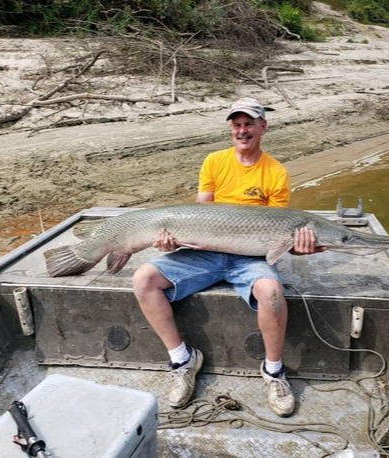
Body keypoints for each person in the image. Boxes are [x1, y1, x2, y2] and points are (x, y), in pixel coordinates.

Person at [132, 97, 325, 417]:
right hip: (207, 251)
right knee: (143, 279)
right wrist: (173, 241)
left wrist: (298, 246)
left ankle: (274, 371)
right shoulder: (214, 162)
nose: (242, 130)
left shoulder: (276, 172)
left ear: (263, 126)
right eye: (236, 125)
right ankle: (182, 359)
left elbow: (279, 231)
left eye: (249, 124)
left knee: (273, 292)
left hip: (250, 256)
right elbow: (201, 212)